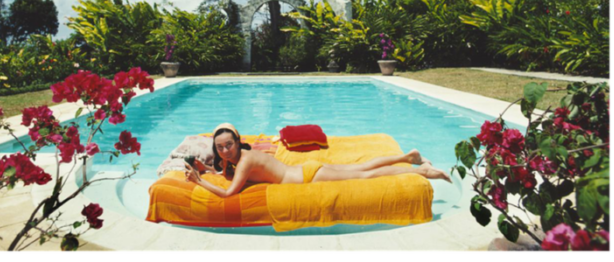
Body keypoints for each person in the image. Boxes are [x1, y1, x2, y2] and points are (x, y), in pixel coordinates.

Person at [184, 123, 452, 199]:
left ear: (237, 140)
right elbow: (225, 174)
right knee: (361, 166)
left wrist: (198, 181)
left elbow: (229, 193)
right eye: (219, 148)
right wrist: (206, 169)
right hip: (306, 169)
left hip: (307, 177)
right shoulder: (238, 158)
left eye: (228, 145)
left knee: (364, 175)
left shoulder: (242, 162)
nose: (224, 151)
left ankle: (423, 172)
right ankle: (409, 157)